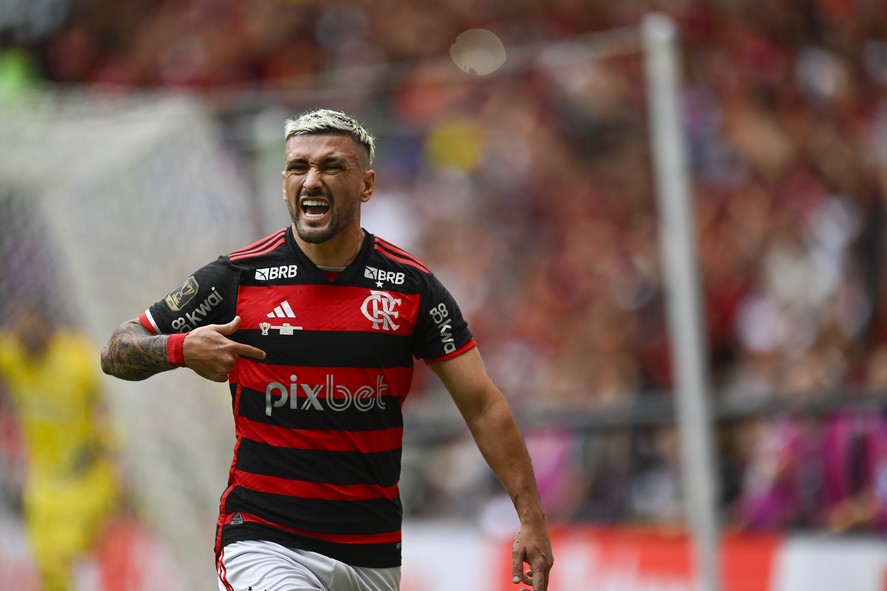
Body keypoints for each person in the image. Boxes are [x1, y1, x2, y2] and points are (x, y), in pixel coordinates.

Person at [100, 108, 553, 591]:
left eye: (331, 166)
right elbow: (117, 349)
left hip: (372, 554)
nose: (312, 180)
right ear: (284, 184)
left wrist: (531, 517)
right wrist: (179, 348)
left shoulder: (412, 288)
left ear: (367, 185)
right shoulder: (237, 277)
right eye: (298, 167)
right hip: (265, 540)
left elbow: (483, 405)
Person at [0, 304, 121, 591]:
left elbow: (107, 404)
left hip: (86, 480)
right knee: (49, 568)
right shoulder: (14, 357)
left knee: (65, 557)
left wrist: (109, 445)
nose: (25, 336)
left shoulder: (77, 359)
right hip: (43, 483)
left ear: (49, 330)